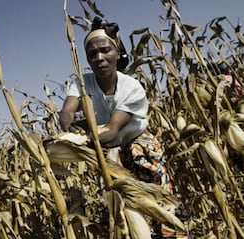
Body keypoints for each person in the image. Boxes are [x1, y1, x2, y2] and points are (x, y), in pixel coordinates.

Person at [59, 18, 184, 238]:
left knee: (158, 198)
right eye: (92, 54)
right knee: (128, 210)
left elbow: (112, 130)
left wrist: (84, 138)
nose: (99, 58)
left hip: (137, 146)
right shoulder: (80, 82)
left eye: (105, 50)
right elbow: (67, 112)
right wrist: (70, 126)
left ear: (117, 52)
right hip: (107, 151)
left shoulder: (132, 88)